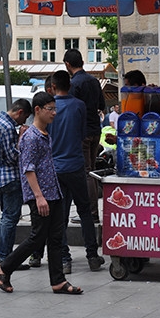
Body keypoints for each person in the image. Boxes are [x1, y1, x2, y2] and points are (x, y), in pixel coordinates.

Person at [0, 91, 82, 295]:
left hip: (54, 193)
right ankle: (3, 268)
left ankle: (58, 281)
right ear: (37, 110)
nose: (54, 113)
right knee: (37, 238)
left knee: (56, 238)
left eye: (54, 109)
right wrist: (39, 196)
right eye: (50, 109)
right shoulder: (31, 138)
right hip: (41, 196)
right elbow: (28, 168)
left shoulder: (44, 135)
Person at [48, 70, 105, 274]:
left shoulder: (49, 109)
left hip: (55, 168)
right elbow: (83, 134)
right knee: (85, 212)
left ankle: (64, 259)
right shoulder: (79, 106)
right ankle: (92, 255)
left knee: (59, 216)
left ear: (53, 87)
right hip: (76, 166)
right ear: (70, 86)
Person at [0, 99, 33, 271]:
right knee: (10, 219)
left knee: (5, 217)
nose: (24, 122)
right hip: (10, 178)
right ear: (19, 112)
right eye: (25, 117)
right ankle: (6, 259)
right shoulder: (7, 128)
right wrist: (21, 137)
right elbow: (12, 156)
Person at [63, 49, 105, 224]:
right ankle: (91, 212)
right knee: (92, 172)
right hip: (96, 131)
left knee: (86, 173)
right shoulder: (94, 81)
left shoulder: (74, 84)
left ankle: (90, 213)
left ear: (67, 64)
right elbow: (102, 105)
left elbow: (72, 110)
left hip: (82, 133)